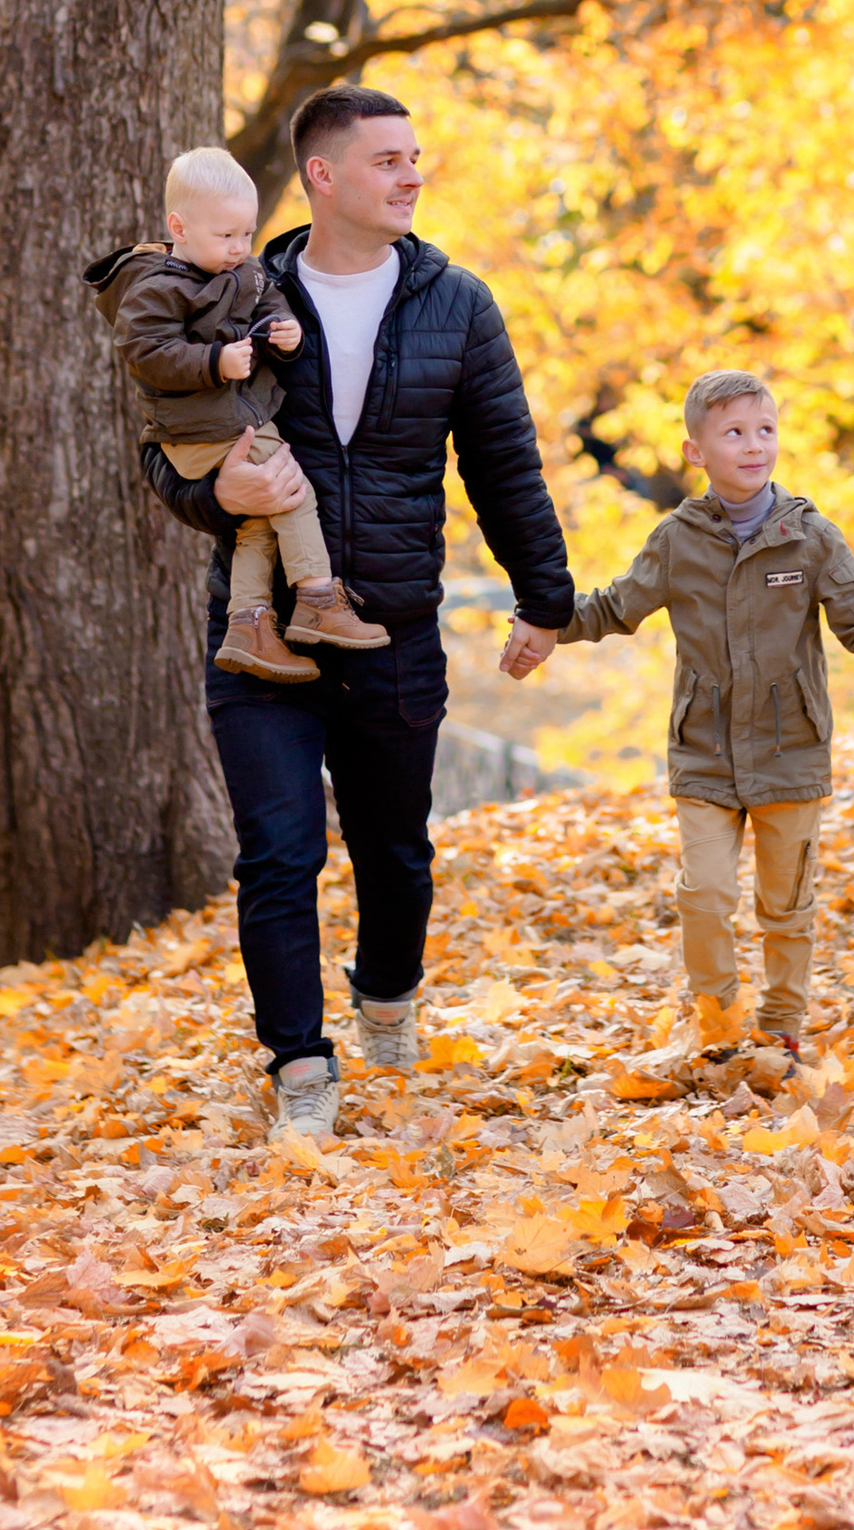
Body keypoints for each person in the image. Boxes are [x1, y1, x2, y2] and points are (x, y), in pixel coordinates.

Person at [143, 85, 573, 1139]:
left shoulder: (455, 303)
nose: (412, 176)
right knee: (277, 853)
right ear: (323, 176)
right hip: (260, 635)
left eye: (414, 157)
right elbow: (167, 446)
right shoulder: (236, 293)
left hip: (392, 627)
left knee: (394, 852)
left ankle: (387, 993)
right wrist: (216, 496)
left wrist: (544, 598)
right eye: (388, 160)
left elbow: (504, 462)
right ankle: (300, 1065)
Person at [503, 368, 854, 1084]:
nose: (754, 445)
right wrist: (546, 623)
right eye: (734, 433)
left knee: (786, 906)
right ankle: (719, 1023)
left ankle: (781, 1027)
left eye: (765, 430)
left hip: (790, 750)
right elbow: (613, 607)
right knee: (704, 894)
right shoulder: (678, 540)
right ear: (696, 451)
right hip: (704, 750)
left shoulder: (810, 538)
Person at [87, 143, 375, 685]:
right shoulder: (154, 289)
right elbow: (146, 353)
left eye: (247, 233)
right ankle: (317, 598)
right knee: (292, 491)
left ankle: (247, 625)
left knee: (258, 523)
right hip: (197, 428)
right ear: (180, 227)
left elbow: (268, 303)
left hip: (236, 421)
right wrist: (214, 362)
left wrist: (286, 334)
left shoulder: (244, 270)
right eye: (226, 235)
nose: (240, 247)